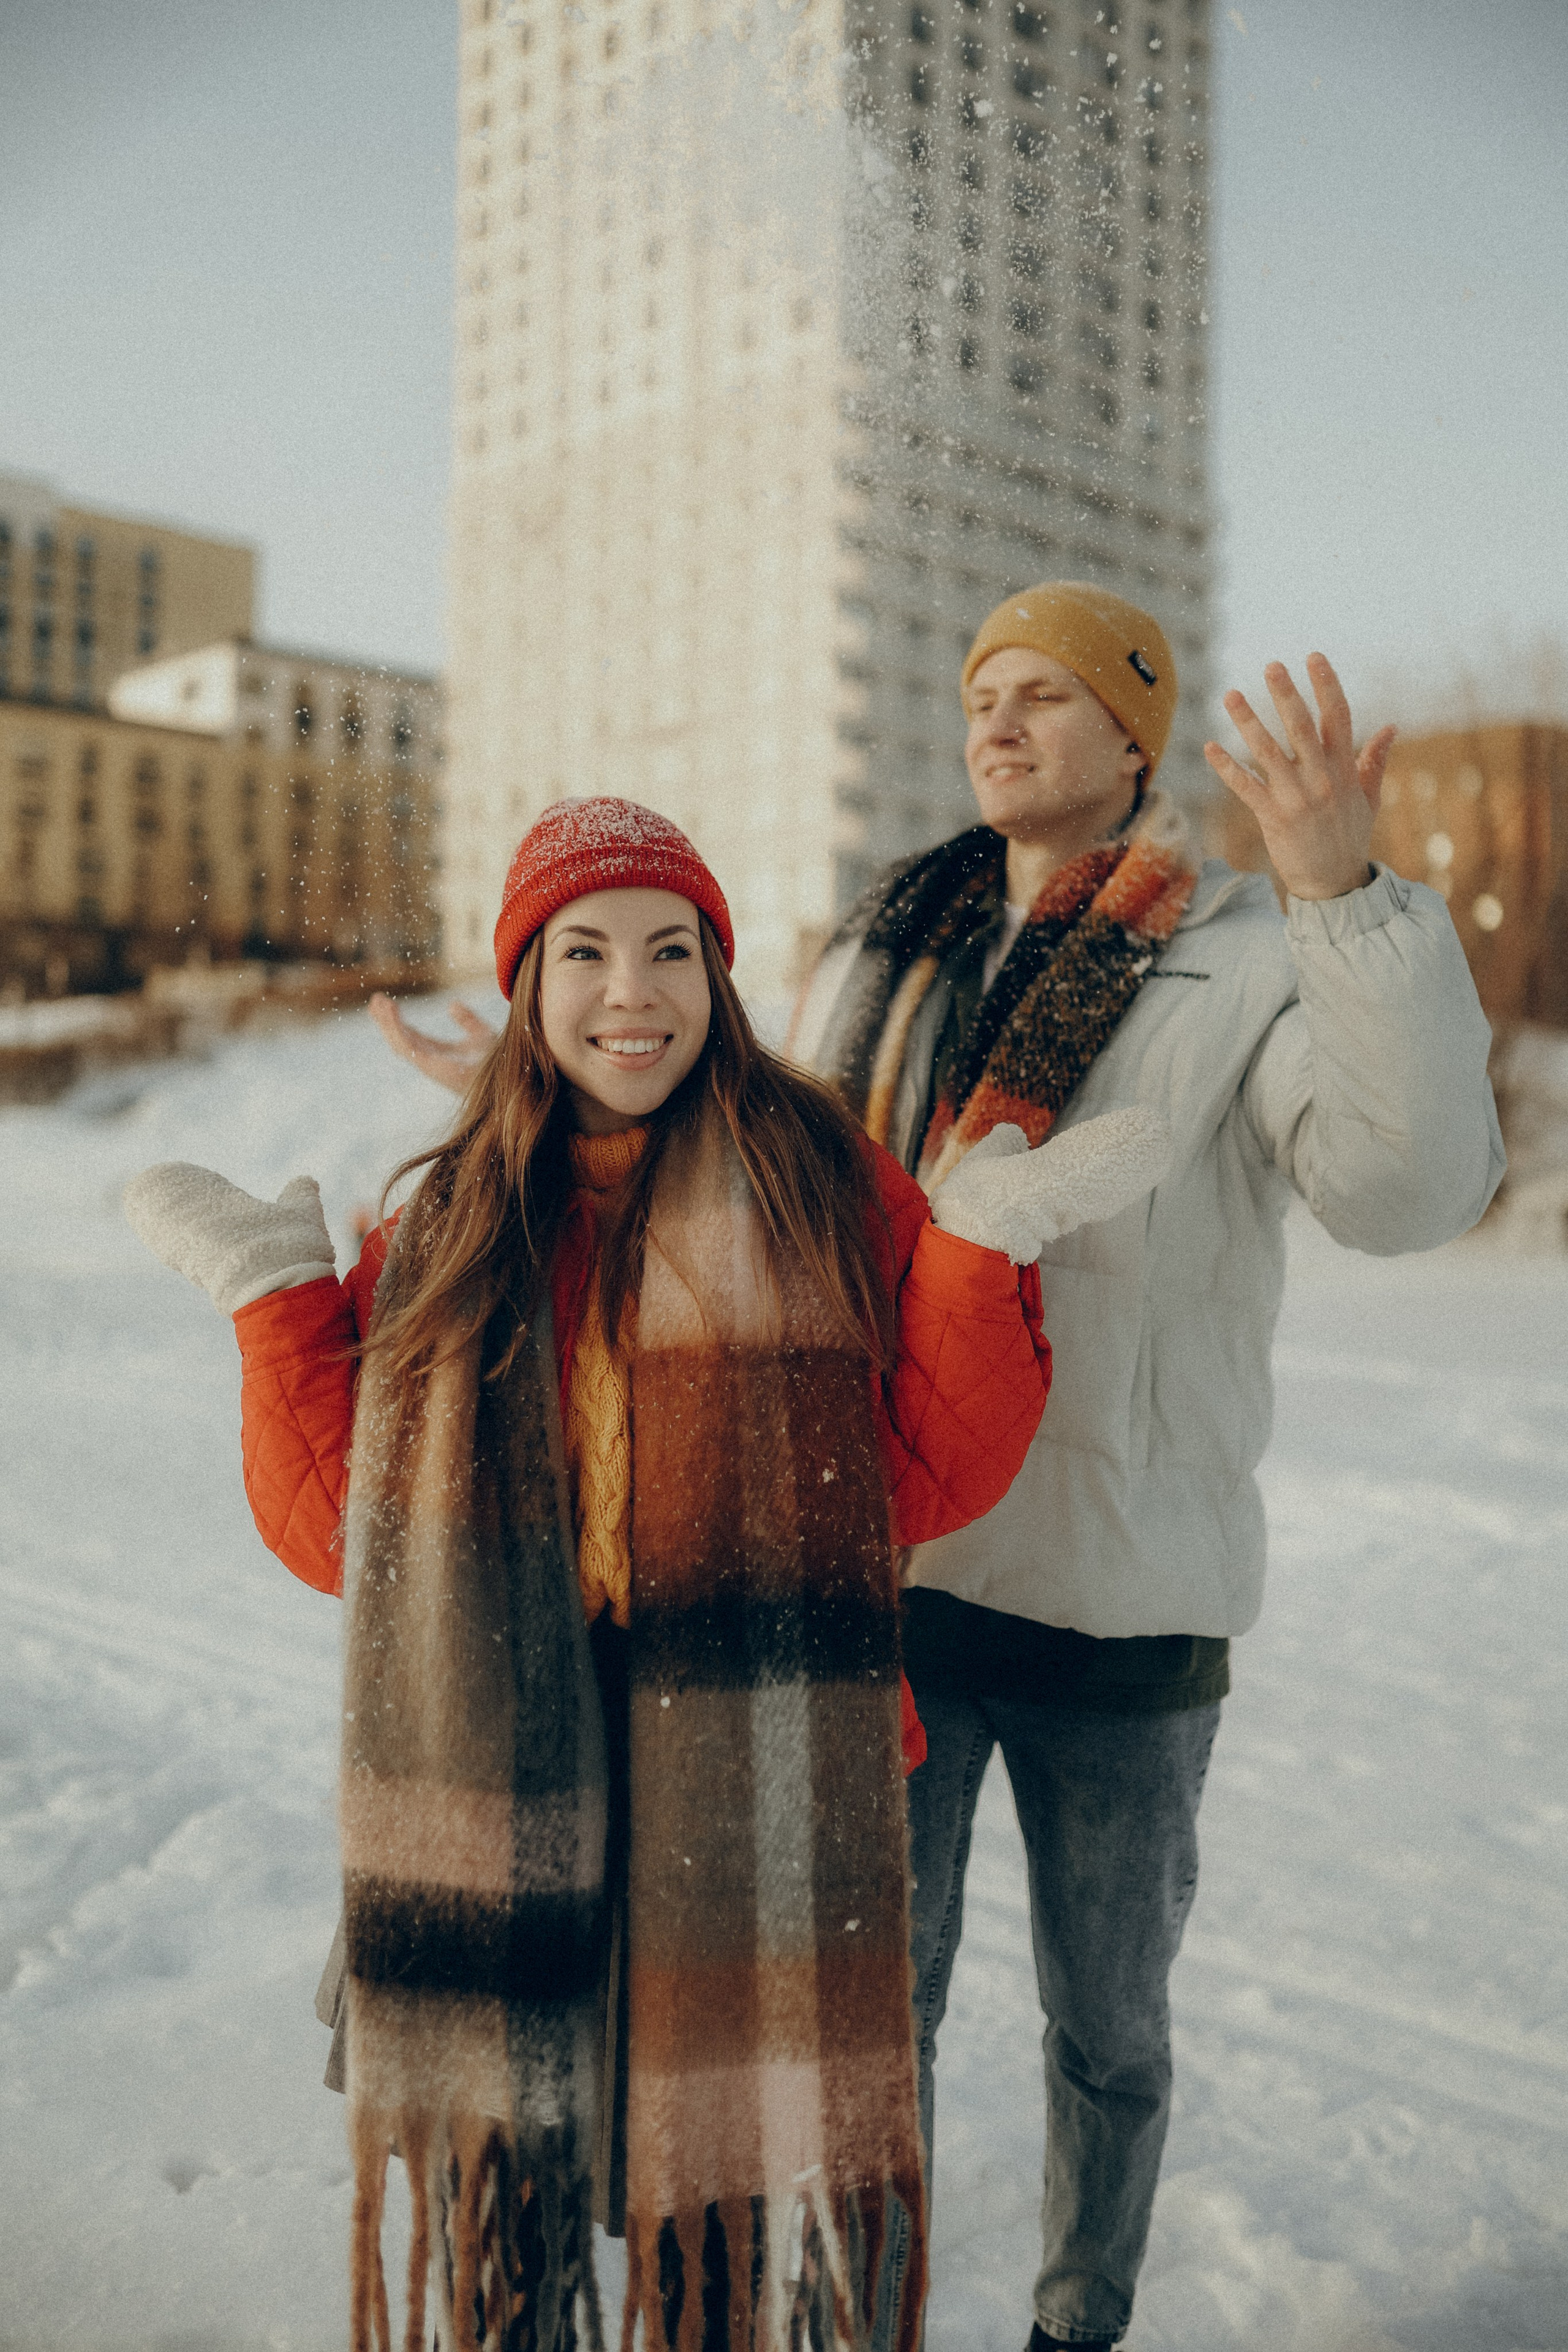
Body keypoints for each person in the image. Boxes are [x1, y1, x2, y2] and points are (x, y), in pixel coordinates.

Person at [123, 796, 1170, 2352]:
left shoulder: (823, 1176)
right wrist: (285, 1311)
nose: (634, 991)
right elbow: (349, 1534)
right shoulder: (455, 1215)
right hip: (510, 1769)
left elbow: (924, 1479)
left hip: (760, 1771)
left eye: (672, 950)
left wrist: (965, 1262)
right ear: (531, 986)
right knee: (516, 2185)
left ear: (718, 976)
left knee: (740, 2204)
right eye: (588, 952)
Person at [783, 582, 1506, 2351]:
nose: (1001, 720)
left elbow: (1410, 1191)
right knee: (870, 2027)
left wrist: (1347, 893)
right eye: (984, 691)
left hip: (1129, 1605)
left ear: (1136, 736)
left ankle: (1074, 2327)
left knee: (1110, 2040)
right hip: (896, 1579)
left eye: (1050, 693)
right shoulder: (879, 953)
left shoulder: (1260, 951)